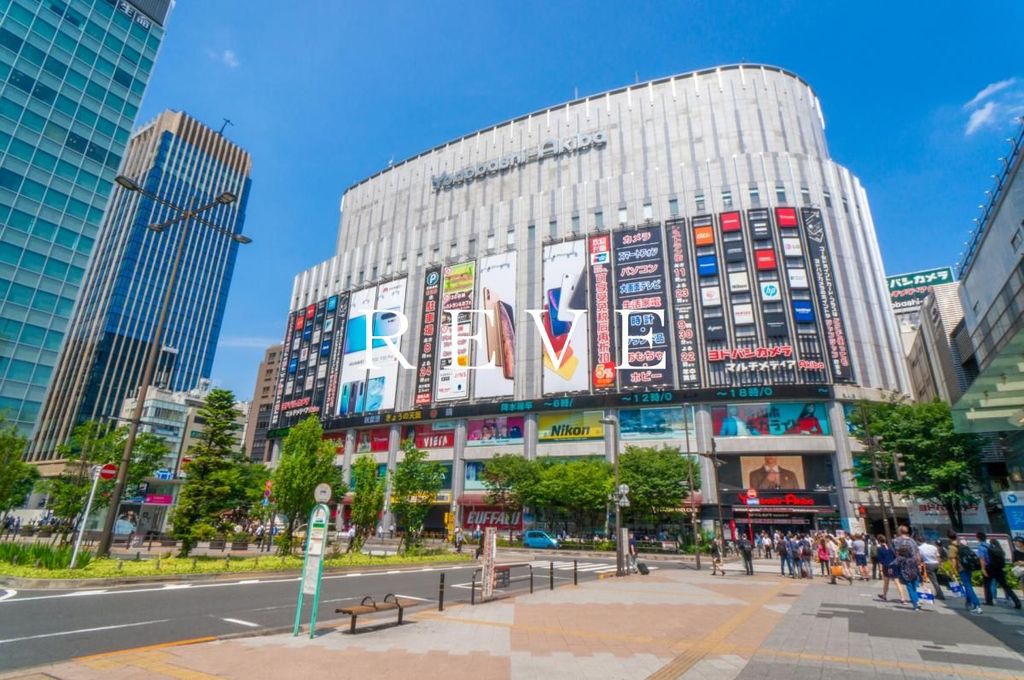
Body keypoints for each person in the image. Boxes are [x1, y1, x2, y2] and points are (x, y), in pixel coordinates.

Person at [977, 532, 1021, 609]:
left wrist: (983, 569)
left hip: (989, 568)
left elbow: (982, 559)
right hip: (998, 568)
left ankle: (989, 601)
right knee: (1005, 586)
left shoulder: (981, 547)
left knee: (987, 585)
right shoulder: (990, 545)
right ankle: (1017, 601)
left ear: (978, 538)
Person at [948, 530, 983, 614]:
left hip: (962, 569)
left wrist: (953, 571)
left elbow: (953, 561)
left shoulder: (952, 547)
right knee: (968, 585)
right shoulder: (962, 544)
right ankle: (969, 603)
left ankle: (977, 605)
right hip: (968, 567)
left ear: (949, 538)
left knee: (968, 586)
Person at [892, 526, 924, 611]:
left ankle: (915, 603)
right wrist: (919, 563)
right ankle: (917, 600)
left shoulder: (896, 541)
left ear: (899, 531)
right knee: (915, 583)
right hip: (913, 563)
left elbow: (896, 554)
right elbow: (917, 553)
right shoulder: (912, 540)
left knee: (909, 584)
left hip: (904, 564)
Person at [876, 535, 908, 604]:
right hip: (894, 565)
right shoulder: (891, 548)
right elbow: (895, 556)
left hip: (886, 566)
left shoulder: (880, 549)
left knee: (886, 582)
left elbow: (880, 560)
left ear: (879, 541)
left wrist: (881, 570)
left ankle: (884, 595)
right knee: (897, 582)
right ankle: (903, 598)